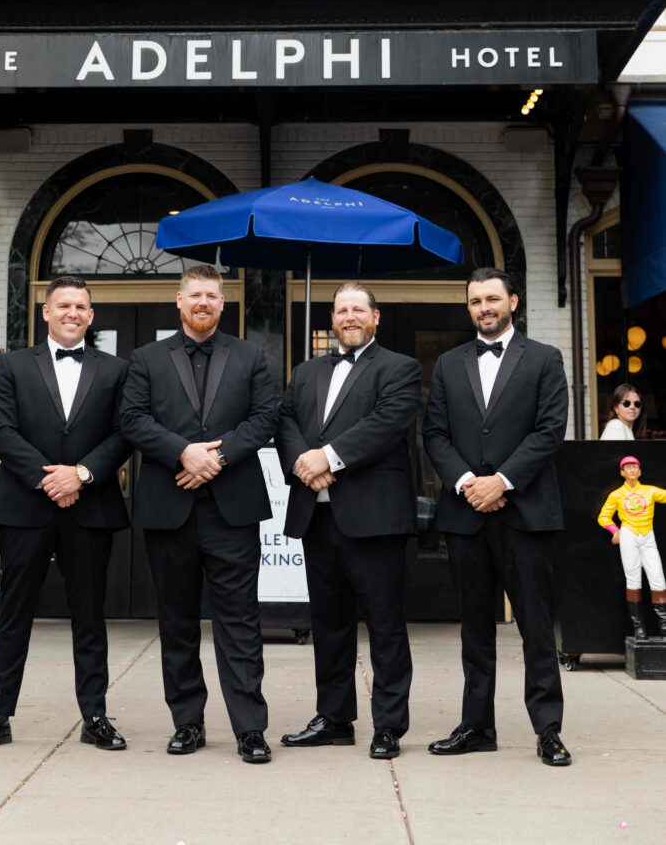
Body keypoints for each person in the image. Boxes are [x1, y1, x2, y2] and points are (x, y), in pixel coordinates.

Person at [0, 276, 132, 752]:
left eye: (81, 306)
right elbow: (0, 432)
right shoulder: (13, 365)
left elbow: (123, 434)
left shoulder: (116, 370)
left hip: (90, 507)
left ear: (91, 316)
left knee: (89, 616)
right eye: (64, 305)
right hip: (24, 509)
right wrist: (50, 479)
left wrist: (81, 474)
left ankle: (95, 715)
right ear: (46, 312)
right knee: (14, 615)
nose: (72, 312)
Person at [120, 264, 276, 764]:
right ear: (179, 301)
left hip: (233, 512)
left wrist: (217, 457)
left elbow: (266, 417)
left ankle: (250, 728)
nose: (203, 303)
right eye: (195, 295)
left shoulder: (251, 356)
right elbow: (132, 419)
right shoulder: (146, 358)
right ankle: (187, 723)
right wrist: (182, 453)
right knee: (177, 622)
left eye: (212, 295)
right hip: (170, 510)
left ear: (223, 303)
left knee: (240, 623)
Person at [422, 266, 571, 767]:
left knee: (535, 625)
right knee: (474, 628)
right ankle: (476, 727)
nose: (483, 308)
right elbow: (435, 434)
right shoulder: (447, 364)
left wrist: (501, 481)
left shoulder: (546, 359)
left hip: (525, 513)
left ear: (512, 301)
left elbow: (549, 430)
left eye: (491, 299)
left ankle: (548, 729)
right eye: (474, 301)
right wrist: (468, 485)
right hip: (466, 515)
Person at [276, 282, 420, 760]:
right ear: (331, 319)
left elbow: (387, 422)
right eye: (342, 310)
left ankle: (389, 726)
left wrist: (328, 458)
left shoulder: (399, 368)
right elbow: (286, 422)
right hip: (317, 515)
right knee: (329, 622)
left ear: (375, 317)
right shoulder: (305, 371)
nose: (350, 316)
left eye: (359, 309)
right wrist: (305, 463)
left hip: (375, 517)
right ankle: (335, 718)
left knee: (384, 625)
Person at [597, 455, 666, 640]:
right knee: (633, 581)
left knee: (658, 580)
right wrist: (615, 531)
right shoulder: (617, 495)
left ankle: (664, 627)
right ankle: (639, 628)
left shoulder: (650, 491)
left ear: (640, 471)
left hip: (648, 536)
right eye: (628, 467)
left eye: (635, 467)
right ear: (622, 472)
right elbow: (603, 516)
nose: (632, 470)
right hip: (629, 536)